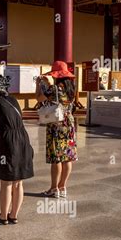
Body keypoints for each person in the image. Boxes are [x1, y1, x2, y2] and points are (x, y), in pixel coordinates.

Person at [0, 75, 34, 225]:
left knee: (6, 181)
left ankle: (3, 217)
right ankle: (13, 215)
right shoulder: (13, 99)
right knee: (18, 182)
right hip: (22, 138)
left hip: (7, 141)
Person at [35, 61, 78, 199]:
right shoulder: (72, 88)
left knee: (57, 158)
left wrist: (39, 84)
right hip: (69, 125)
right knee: (68, 157)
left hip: (56, 125)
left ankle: (54, 188)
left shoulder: (54, 89)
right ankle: (62, 186)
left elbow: (39, 97)